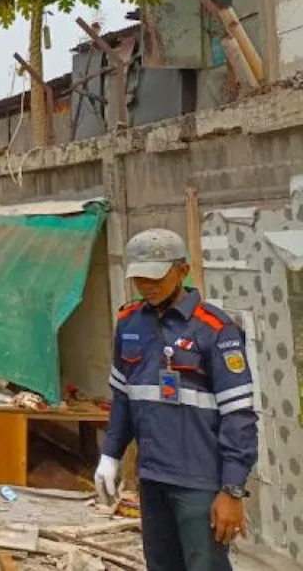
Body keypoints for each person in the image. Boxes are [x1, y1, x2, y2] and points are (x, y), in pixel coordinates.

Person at [94, 228, 257, 570]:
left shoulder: (214, 329)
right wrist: (110, 454)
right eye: (139, 278)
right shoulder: (128, 323)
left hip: (200, 485)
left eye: (156, 277)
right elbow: (124, 398)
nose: (147, 286)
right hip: (153, 479)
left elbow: (239, 416)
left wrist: (232, 490)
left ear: (182, 271)